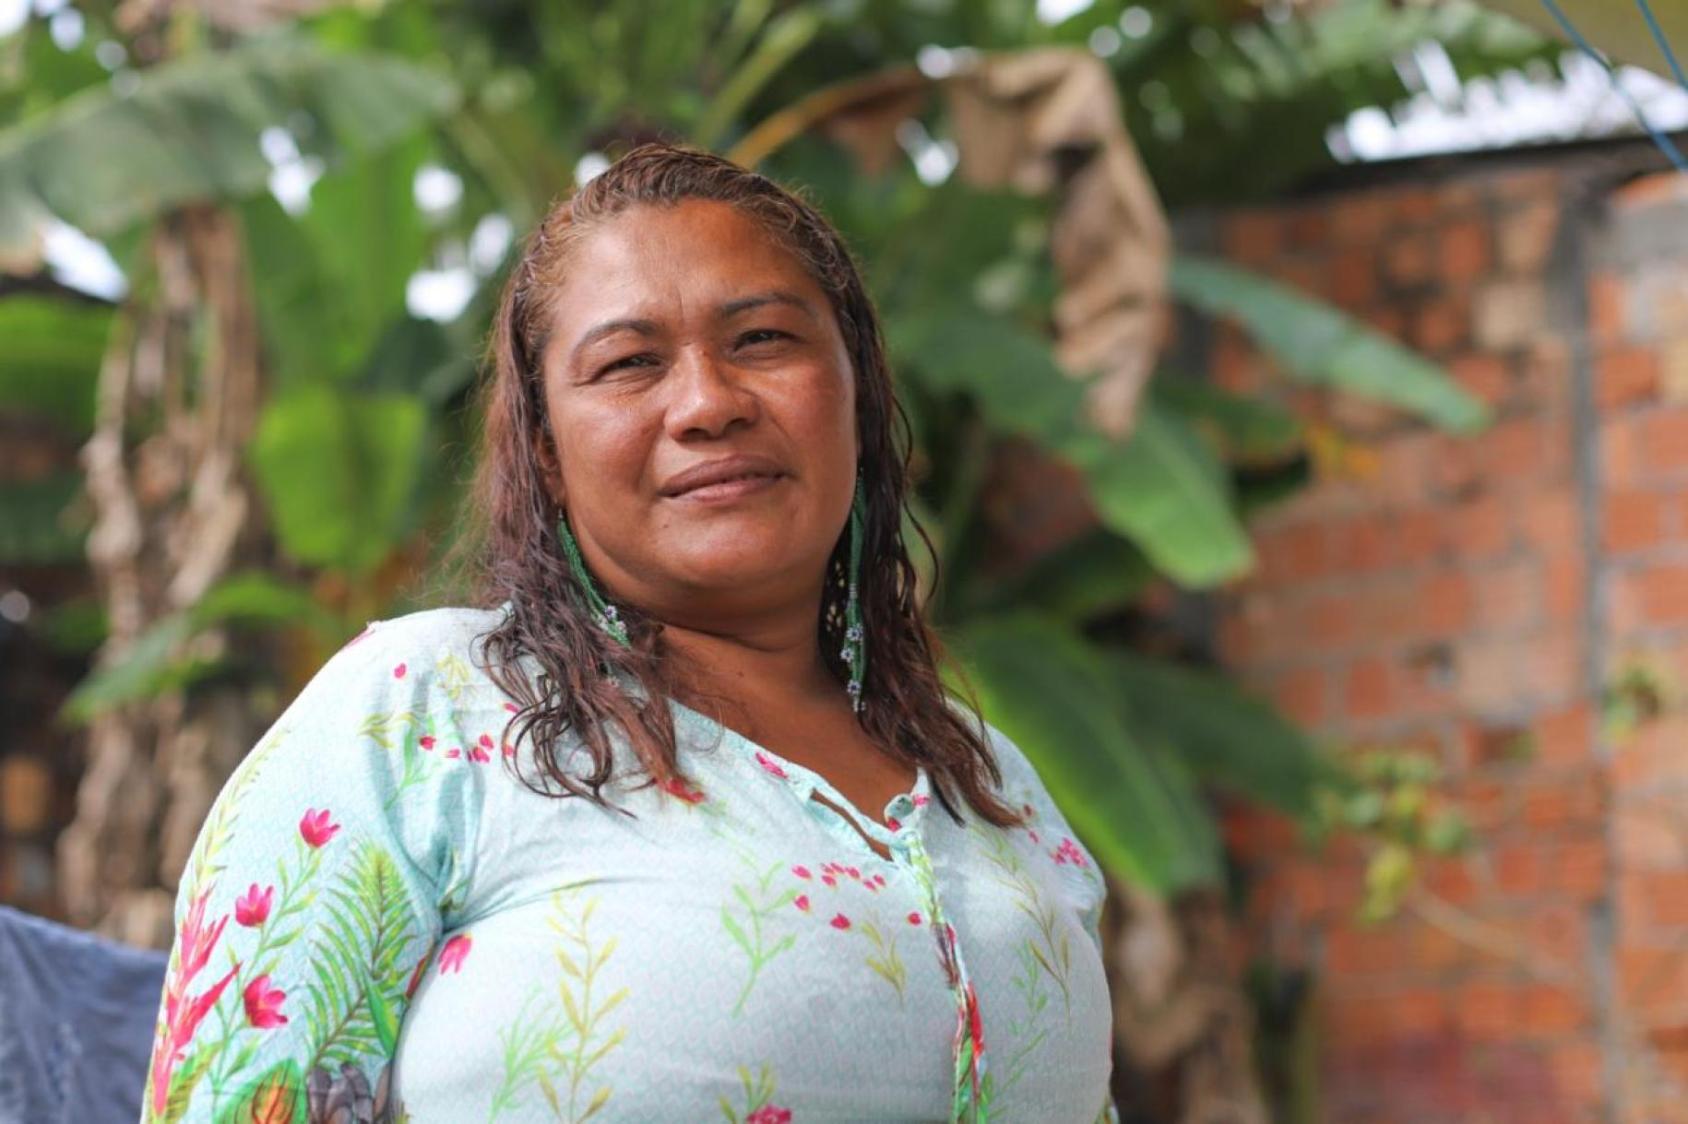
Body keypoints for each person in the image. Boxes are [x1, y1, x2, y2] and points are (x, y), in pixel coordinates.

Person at [140, 142, 1117, 1123]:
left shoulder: (988, 781)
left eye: (763, 340)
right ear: (547, 452)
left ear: (855, 393)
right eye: (627, 364)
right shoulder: (414, 717)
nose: (707, 403)